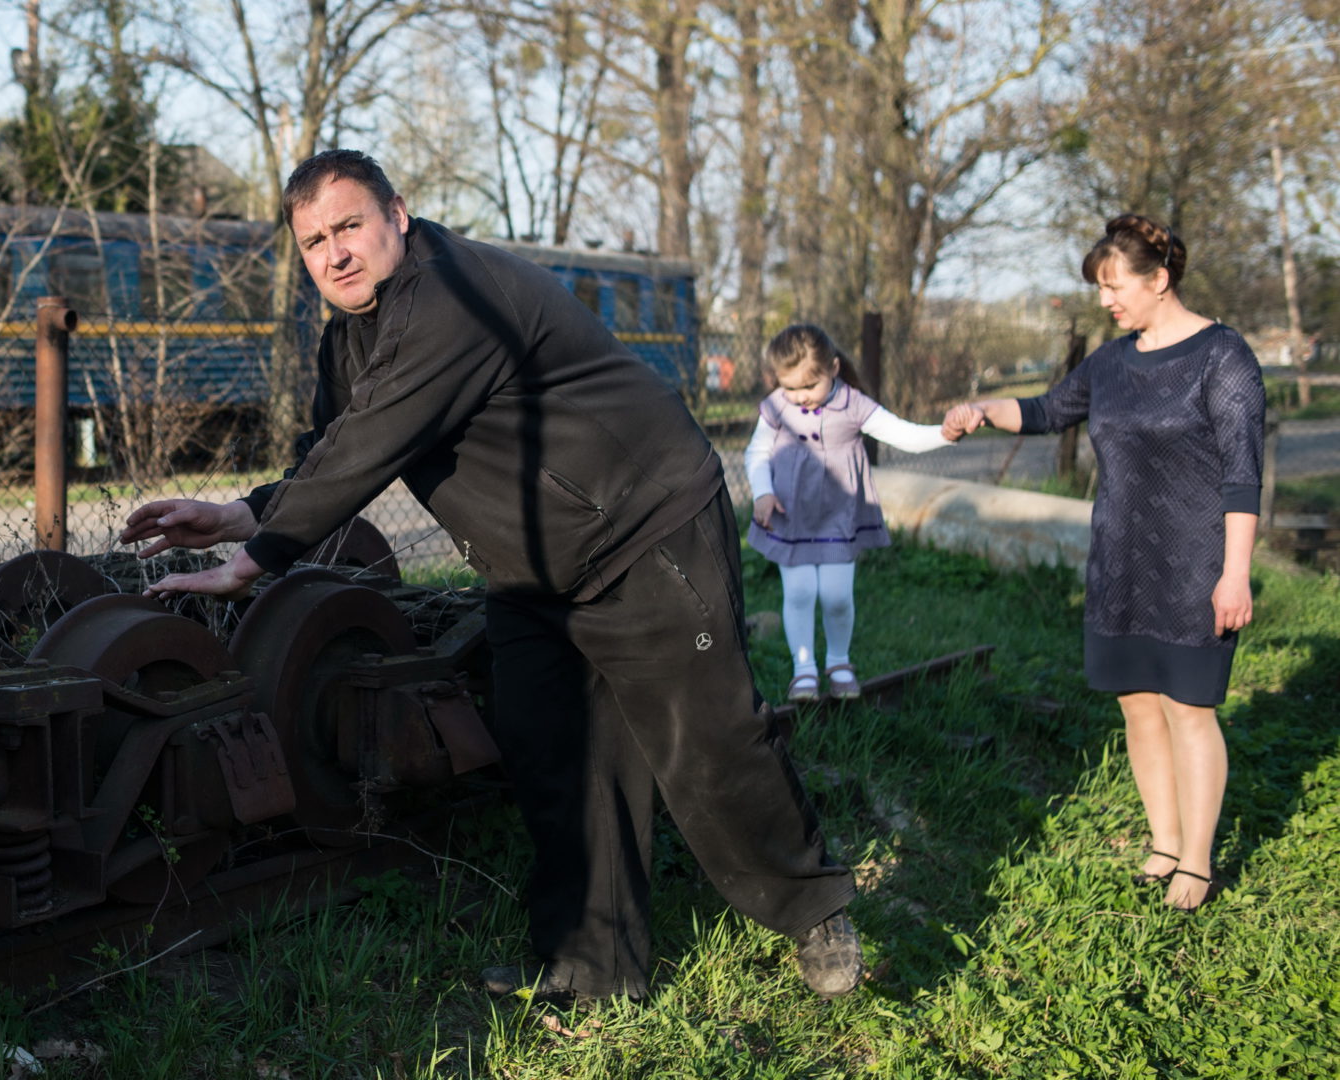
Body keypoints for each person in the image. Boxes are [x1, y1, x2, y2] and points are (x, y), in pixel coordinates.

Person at [119, 149, 863, 1002]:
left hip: (641, 524)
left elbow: (370, 444)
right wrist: (243, 514)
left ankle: (815, 910)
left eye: (350, 226)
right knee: (555, 759)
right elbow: (334, 453)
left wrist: (255, 560)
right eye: (315, 242)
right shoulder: (349, 341)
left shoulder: (451, 297)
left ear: (398, 214)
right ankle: (593, 970)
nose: (335, 254)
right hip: (532, 570)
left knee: (707, 738)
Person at [941, 214, 1265, 912]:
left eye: (1114, 286)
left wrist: (1234, 573)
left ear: (1159, 278)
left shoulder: (1222, 357)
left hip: (1193, 566)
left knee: (1189, 710)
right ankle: (1163, 842)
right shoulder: (1111, 362)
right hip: (1118, 562)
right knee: (1137, 707)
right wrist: (978, 409)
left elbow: (1242, 476)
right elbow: (1045, 410)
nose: (1105, 301)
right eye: (1099, 289)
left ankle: (1198, 862)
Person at [745, 324, 956, 702]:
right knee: (799, 591)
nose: (800, 397)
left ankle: (839, 662)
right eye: (790, 387)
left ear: (834, 368)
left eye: (810, 385)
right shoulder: (777, 405)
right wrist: (762, 492)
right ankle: (804, 668)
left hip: (837, 517)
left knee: (837, 595)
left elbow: (902, 434)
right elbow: (757, 452)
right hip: (789, 514)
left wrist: (946, 432)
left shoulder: (853, 404)